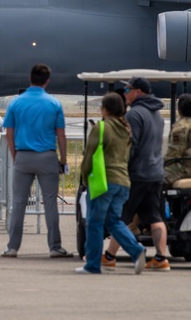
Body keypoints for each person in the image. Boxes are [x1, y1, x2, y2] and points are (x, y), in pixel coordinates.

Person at [1, 63, 71, 258]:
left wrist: (16, 156)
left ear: (30, 78)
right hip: (47, 156)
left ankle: (13, 247)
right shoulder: (54, 103)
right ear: (47, 81)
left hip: (23, 155)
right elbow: (61, 135)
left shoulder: (16, 103)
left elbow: (9, 133)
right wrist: (63, 160)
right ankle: (55, 246)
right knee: (50, 203)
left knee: (19, 203)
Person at [103, 76, 170, 271]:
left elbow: (131, 146)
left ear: (138, 92)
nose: (125, 94)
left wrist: (120, 166)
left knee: (120, 217)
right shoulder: (158, 115)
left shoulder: (134, 115)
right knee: (155, 217)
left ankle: (109, 256)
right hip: (155, 173)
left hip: (137, 175)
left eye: (127, 90)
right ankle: (160, 258)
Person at [77, 93, 146, 274]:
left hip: (104, 182)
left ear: (105, 109)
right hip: (123, 182)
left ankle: (92, 265)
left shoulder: (101, 127)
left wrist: (85, 179)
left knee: (94, 223)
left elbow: (88, 157)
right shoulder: (126, 129)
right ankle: (136, 250)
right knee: (114, 221)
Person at [163, 94, 191, 187]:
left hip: (187, 166)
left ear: (180, 109)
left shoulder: (181, 127)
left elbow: (174, 154)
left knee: (154, 179)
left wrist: (160, 163)